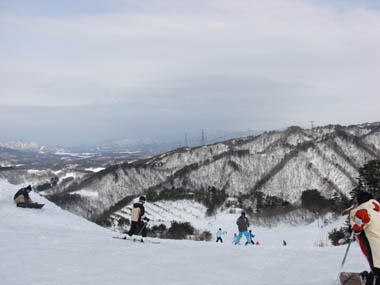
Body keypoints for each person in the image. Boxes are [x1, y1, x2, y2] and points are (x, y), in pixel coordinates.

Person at [349, 192, 380, 285]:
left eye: (355, 203)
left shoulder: (362, 211)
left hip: (377, 254)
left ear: (361, 203)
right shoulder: (377, 212)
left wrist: (356, 228)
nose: (353, 206)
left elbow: (360, 225)